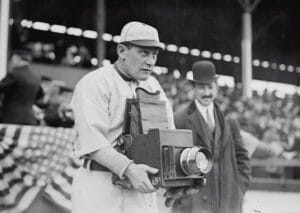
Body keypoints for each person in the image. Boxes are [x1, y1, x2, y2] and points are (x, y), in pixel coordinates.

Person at [70, 21, 176, 213]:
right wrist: (128, 168)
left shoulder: (154, 86)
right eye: (144, 53)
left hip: (141, 189)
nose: (151, 61)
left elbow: (168, 135)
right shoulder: (95, 82)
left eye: (154, 54)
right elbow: (91, 141)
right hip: (100, 185)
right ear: (121, 51)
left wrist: (177, 179)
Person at [174, 60, 251, 213]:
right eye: (201, 87)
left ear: (216, 88)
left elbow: (242, 157)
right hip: (195, 204)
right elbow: (173, 162)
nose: (206, 92)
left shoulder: (230, 120)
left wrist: (239, 187)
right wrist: (183, 196)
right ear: (193, 89)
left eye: (210, 87)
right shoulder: (179, 119)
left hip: (227, 201)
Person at [0, 48, 41, 125]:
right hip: (30, 119)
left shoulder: (14, 74)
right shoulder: (36, 77)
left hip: (12, 118)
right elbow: (40, 95)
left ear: (16, 58)